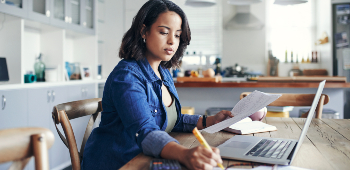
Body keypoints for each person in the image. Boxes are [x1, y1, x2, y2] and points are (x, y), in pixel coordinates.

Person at [81, 0, 233, 169]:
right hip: (119, 162)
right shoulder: (126, 77)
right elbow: (145, 130)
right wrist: (185, 154)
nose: (172, 41)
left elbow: (171, 121)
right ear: (144, 31)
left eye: (177, 35)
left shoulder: (164, 73)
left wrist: (210, 121)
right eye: (163, 32)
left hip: (144, 158)